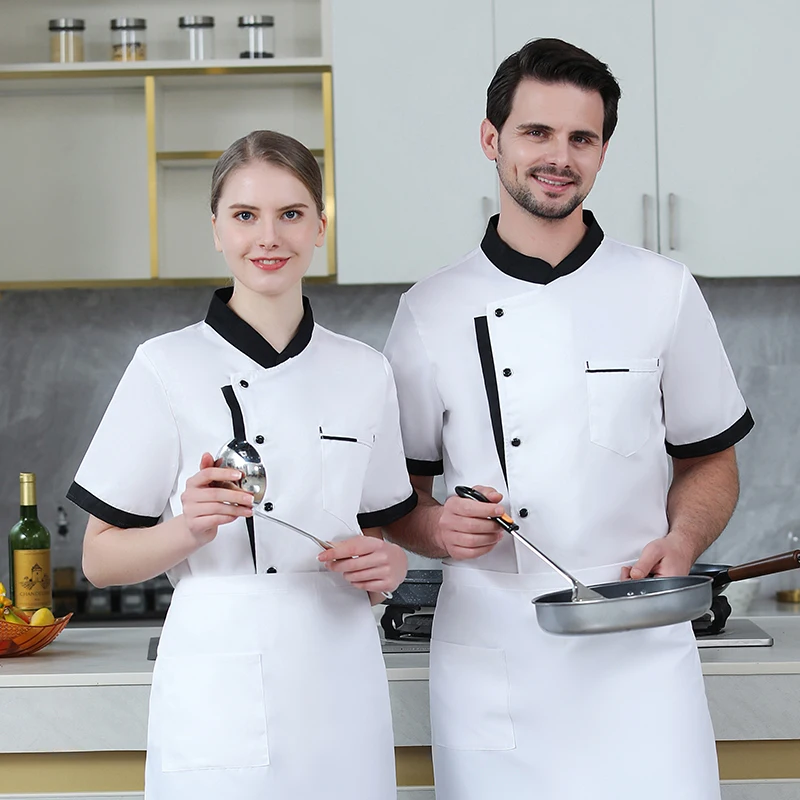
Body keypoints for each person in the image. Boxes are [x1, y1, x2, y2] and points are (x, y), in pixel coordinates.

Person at [384, 38, 753, 800]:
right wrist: (439, 530)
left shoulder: (664, 291)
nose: (559, 157)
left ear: (604, 151)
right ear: (492, 139)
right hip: (497, 662)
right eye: (536, 133)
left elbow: (710, 460)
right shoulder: (429, 312)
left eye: (581, 138)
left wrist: (683, 540)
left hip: (640, 651)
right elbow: (400, 502)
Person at [67, 130, 416, 800]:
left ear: (320, 225)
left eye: (291, 214)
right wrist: (187, 529)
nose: (269, 238)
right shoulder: (164, 367)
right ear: (217, 231)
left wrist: (388, 569)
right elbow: (99, 560)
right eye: (245, 215)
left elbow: (375, 536)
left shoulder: (365, 373)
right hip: (216, 680)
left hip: (340, 676)